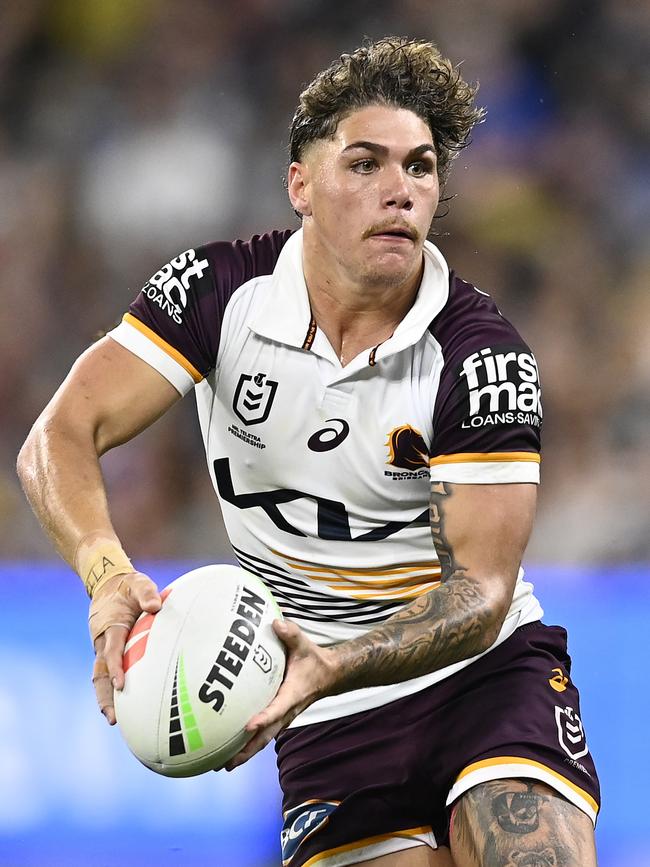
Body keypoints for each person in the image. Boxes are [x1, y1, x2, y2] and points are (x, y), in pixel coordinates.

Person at [17, 37, 599, 867]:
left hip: (482, 677)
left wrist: (332, 660)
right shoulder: (219, 294)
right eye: (365, 164)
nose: (399, 190)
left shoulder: (481, 357)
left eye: (421, 168)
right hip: (319, 715)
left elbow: (483, 591)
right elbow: (59, 434)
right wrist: (106, 577)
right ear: (301, 184)